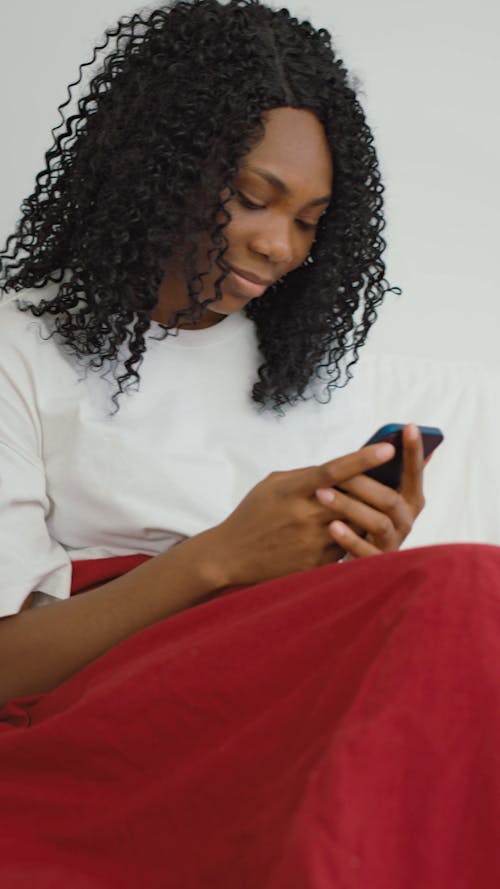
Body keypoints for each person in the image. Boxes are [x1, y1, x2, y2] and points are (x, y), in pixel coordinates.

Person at [0, 1, 499, 886]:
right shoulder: (18, 347)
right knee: (472, 583)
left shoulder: (301, 364)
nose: (277, 245)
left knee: (457, 598)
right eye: (252, 198)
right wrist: (218, 557)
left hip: (265, 684)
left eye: (309, 221)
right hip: (94, 706)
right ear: (156, 168)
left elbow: (307, 614)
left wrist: (363, 550)